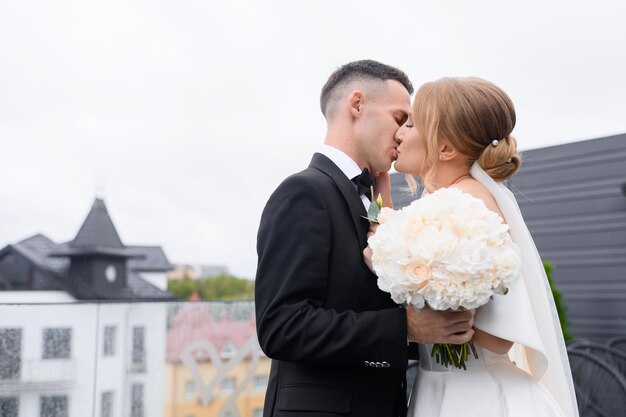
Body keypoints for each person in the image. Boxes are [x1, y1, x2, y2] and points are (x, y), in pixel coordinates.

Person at [255, 60, 476, 417]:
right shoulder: (303, 192)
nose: (404, 133)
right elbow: (282, 326)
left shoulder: (377, 199)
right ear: (357, 105)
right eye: (400, 118)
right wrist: (406, 328)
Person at [365, 76, 579, 416]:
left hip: (472, 397)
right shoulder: (447, 200)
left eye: (413, 123)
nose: (400, 133)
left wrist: (384, 263)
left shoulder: (464, 205)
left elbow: (499, 339)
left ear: (446, 148)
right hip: (444, 385)